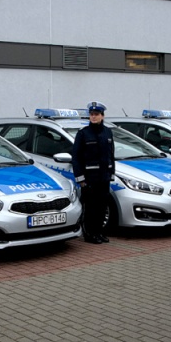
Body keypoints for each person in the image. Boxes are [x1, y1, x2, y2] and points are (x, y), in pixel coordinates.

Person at [72, 101, 115, 244]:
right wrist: (81, 179)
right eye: (91, 114)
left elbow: (111, 155)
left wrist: (111, 173)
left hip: (104, 178)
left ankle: (99, 232)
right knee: (91, 208)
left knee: (102, 207)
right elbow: (76, 157)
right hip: (89, 179)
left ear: (102, 116)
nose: (93, 117)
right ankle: (89, 234)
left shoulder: (108, 132)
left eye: (96, 114)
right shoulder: (83, 133)